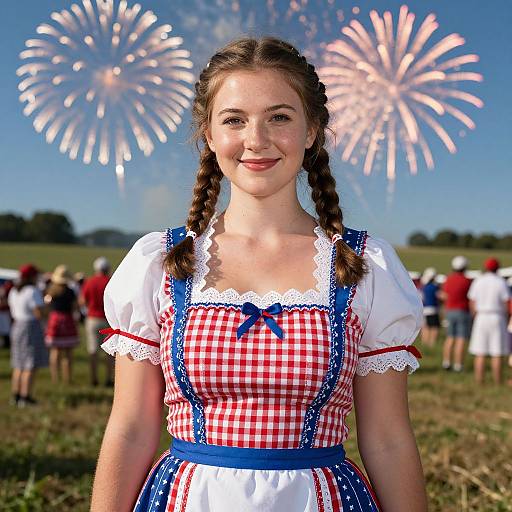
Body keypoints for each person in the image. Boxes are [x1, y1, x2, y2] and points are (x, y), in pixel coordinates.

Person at [91, 37, 428, 511]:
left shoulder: (361, 265)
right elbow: (130, 430)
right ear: (209, 135)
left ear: (312, 130)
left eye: (279, 117)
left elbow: (389, 439)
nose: (256, 139)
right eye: (234, 120)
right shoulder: (161, 262)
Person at [8, 264, 48, 407]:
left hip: (17, 325)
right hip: (30, 326)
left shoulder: (14, 290)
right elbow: (38, 313)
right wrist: (46, 311)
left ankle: (16, 395)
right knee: (30, 364)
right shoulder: (32, 291)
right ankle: (26, 396)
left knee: (18, 363)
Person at [468, 258, 510, 385]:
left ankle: (479, 381)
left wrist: (474, 316)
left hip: (481, 316)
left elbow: (472, 302)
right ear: (497, 268)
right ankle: (498, 381)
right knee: (497, 352)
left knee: (480, 352)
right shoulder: (501, 282)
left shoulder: (478, 281)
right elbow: (507, 301)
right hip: (497, 317)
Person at [80, 257, 113, 387]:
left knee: (93, 351)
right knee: (109, 352)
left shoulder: (90, 282)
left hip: (92, 318)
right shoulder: (110, 281)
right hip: (108, 320)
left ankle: (93, 378)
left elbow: (83, 301)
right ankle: (108, 378)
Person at [44, 265, 80, 384]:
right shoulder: (70, 292)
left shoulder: (51, 290)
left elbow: (47, 305)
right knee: (68, 352)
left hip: (55, 319)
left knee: (55, 351)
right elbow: (75, 307)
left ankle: (55, 378)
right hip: (67, 319)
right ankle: (67, 378)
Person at [440, 256, 472, 372]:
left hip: (449, 311)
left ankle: (446, 362)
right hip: (463, 311)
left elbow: (443, 295)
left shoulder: (448, 279)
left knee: (450, 338)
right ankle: (458, 365)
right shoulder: (467, 281)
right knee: (461, 339)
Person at [420, 267, 440, 347]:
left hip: (424, 310)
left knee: (425, 327)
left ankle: (424, 343)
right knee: (434, 327)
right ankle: (431, 344)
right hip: (432, 310)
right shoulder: (434, 287)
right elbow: (439, 296)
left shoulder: (424, 287)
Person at [0, 280, 13, 348]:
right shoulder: (4, 289)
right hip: (3, 312)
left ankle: (7, 342)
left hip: (5, 312)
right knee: (5, 329)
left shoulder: (7, 289)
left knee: (6, 329)